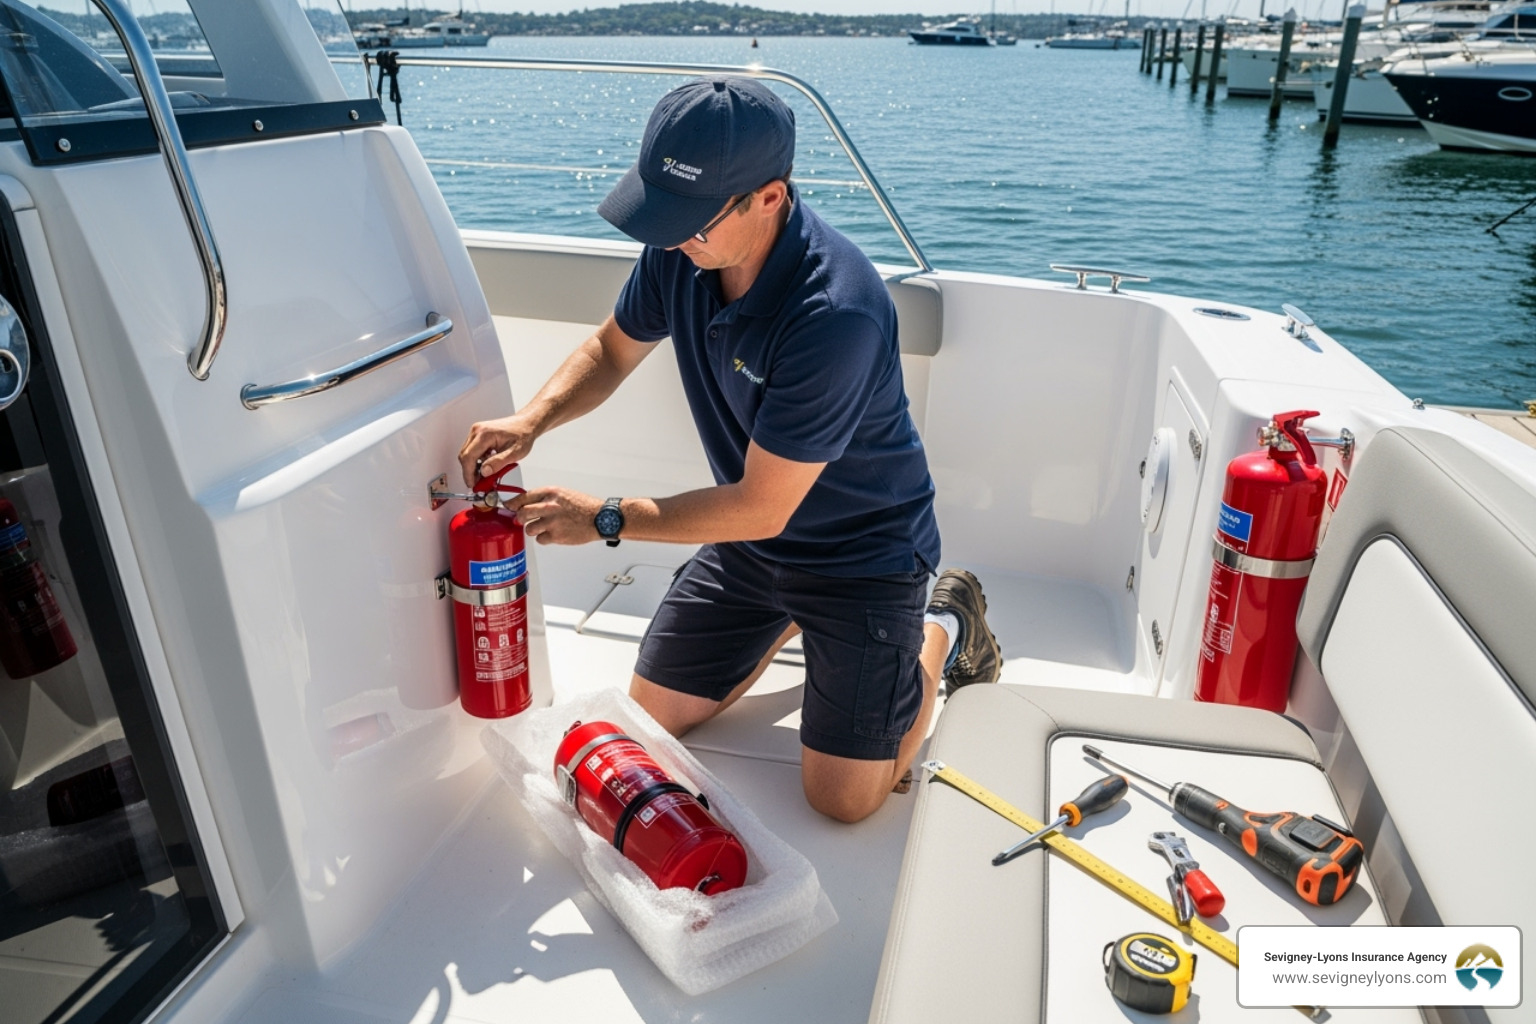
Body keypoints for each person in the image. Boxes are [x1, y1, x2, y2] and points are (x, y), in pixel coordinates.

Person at [458, 76, 1001, 823]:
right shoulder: (680, 249)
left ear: (769, 198)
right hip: (752, 543)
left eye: (690, 219)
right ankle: (786, 617)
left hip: (859, 556)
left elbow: (761, 504)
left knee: (844, 800)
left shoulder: (835, 314)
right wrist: (532, 420)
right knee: (646, 720)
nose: (670, 236)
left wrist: (605, 517)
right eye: (662, 212)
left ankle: (945, 617)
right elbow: (610, 351)